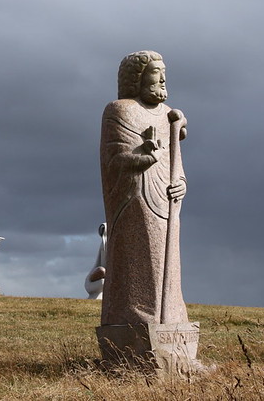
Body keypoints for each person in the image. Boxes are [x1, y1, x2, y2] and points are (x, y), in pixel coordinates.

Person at [99, 51, 188, 325]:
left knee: (168, 270)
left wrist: (181, 185)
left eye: (164, 71)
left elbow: (176, 163)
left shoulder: (169, 116)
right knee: (140, 265)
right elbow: (114, 161)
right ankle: (133, 323)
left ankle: (172, 321)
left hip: (165, 203)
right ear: (137, 77)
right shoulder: (120, 110)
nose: (163, 78)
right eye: (155, 71)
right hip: (134, 201)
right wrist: (146, 158)